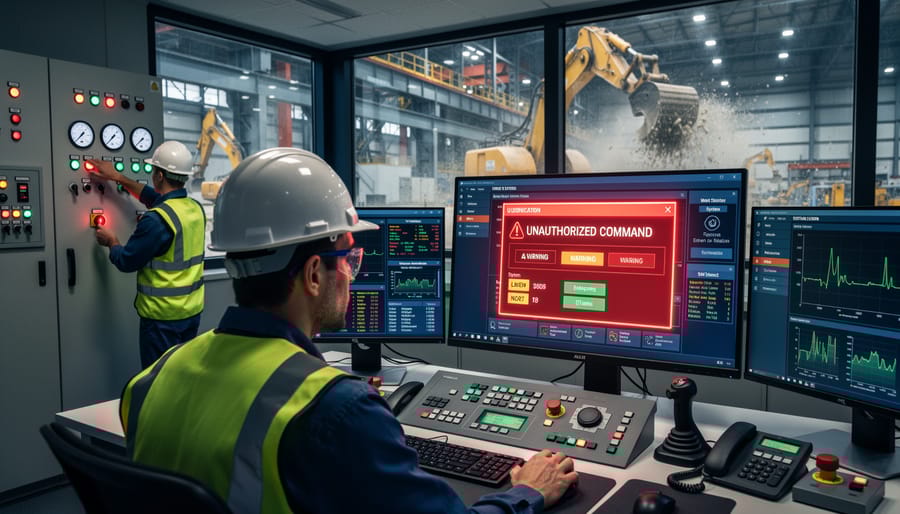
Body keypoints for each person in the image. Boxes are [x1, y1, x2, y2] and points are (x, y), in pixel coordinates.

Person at [119, 147, 577, 513]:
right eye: (350, 259)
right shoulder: (335, 410)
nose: (353, 274)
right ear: (314, 273)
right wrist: (527, 493)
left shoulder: (152, 379)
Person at [87, 141, 206, 368]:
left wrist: (111, 241)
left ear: (159, 175)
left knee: (157, 380)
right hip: (190, 314)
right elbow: (153, 197)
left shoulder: (156, 220)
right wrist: (118, 177)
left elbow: (126, 260)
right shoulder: (194, 209)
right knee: (181, 373)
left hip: (162, 321)